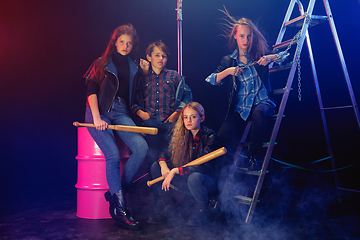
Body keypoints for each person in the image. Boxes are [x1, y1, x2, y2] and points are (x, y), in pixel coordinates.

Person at [83, 23, 148, 230]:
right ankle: (121, 210)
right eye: (122, 42)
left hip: (121, 113)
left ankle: (116, 193)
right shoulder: (101, 62)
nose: (125, 46)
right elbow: (91, 90)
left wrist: (144, 73)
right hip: (99, 111)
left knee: (142, 148)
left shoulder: (135, 66)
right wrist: (96, 118)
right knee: (112, 155)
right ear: (115, 42)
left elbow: (137, 94)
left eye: (129, 43)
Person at [205, 9, 287, 169]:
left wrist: (270, 58)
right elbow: (210, 79)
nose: (246, 40)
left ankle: (253, 155)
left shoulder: (259, 54)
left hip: (262, 102)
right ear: (235, 36)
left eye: (249, 36)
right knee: (220, 137)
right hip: (240, 108)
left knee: (259, 113)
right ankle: (213, 169)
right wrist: (228, 71)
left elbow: (285, 55)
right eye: (242, 36)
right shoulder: (229, 60)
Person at [148, 102, 220, 226]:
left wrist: (176, 171)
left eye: (193, 116)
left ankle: (204, 210)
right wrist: (164, 167)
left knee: (194, 177)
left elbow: (204, 166)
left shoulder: (210, 136)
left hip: (206, 183)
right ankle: (169, 207)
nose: (189, 120)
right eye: (186, 117)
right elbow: (164, 153)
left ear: (202, 118)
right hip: (187, 181)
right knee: (156, 166)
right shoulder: (181, 135)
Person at [132, 40, 192, 169]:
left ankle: (171, 186)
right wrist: (142, 114)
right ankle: (155, 188)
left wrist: (177, 113)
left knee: (171, 156)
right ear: (149, 57)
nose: (161, 59)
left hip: (170, 124)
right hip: (150, 124)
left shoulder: (174, 75)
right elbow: (133, 100)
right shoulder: (142, 78)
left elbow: (188, 96)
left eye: (164, 56)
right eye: (157, 55)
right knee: (152, 157)